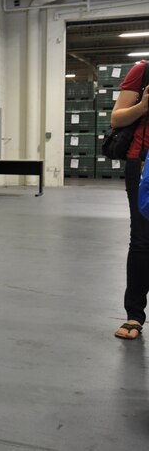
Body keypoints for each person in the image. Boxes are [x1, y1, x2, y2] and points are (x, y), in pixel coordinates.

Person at [112, 60, 149, 340]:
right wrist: (143, 106)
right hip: (143, 164)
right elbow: (117, 118)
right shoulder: (143, 70)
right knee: (142, 240)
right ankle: (134, 315)